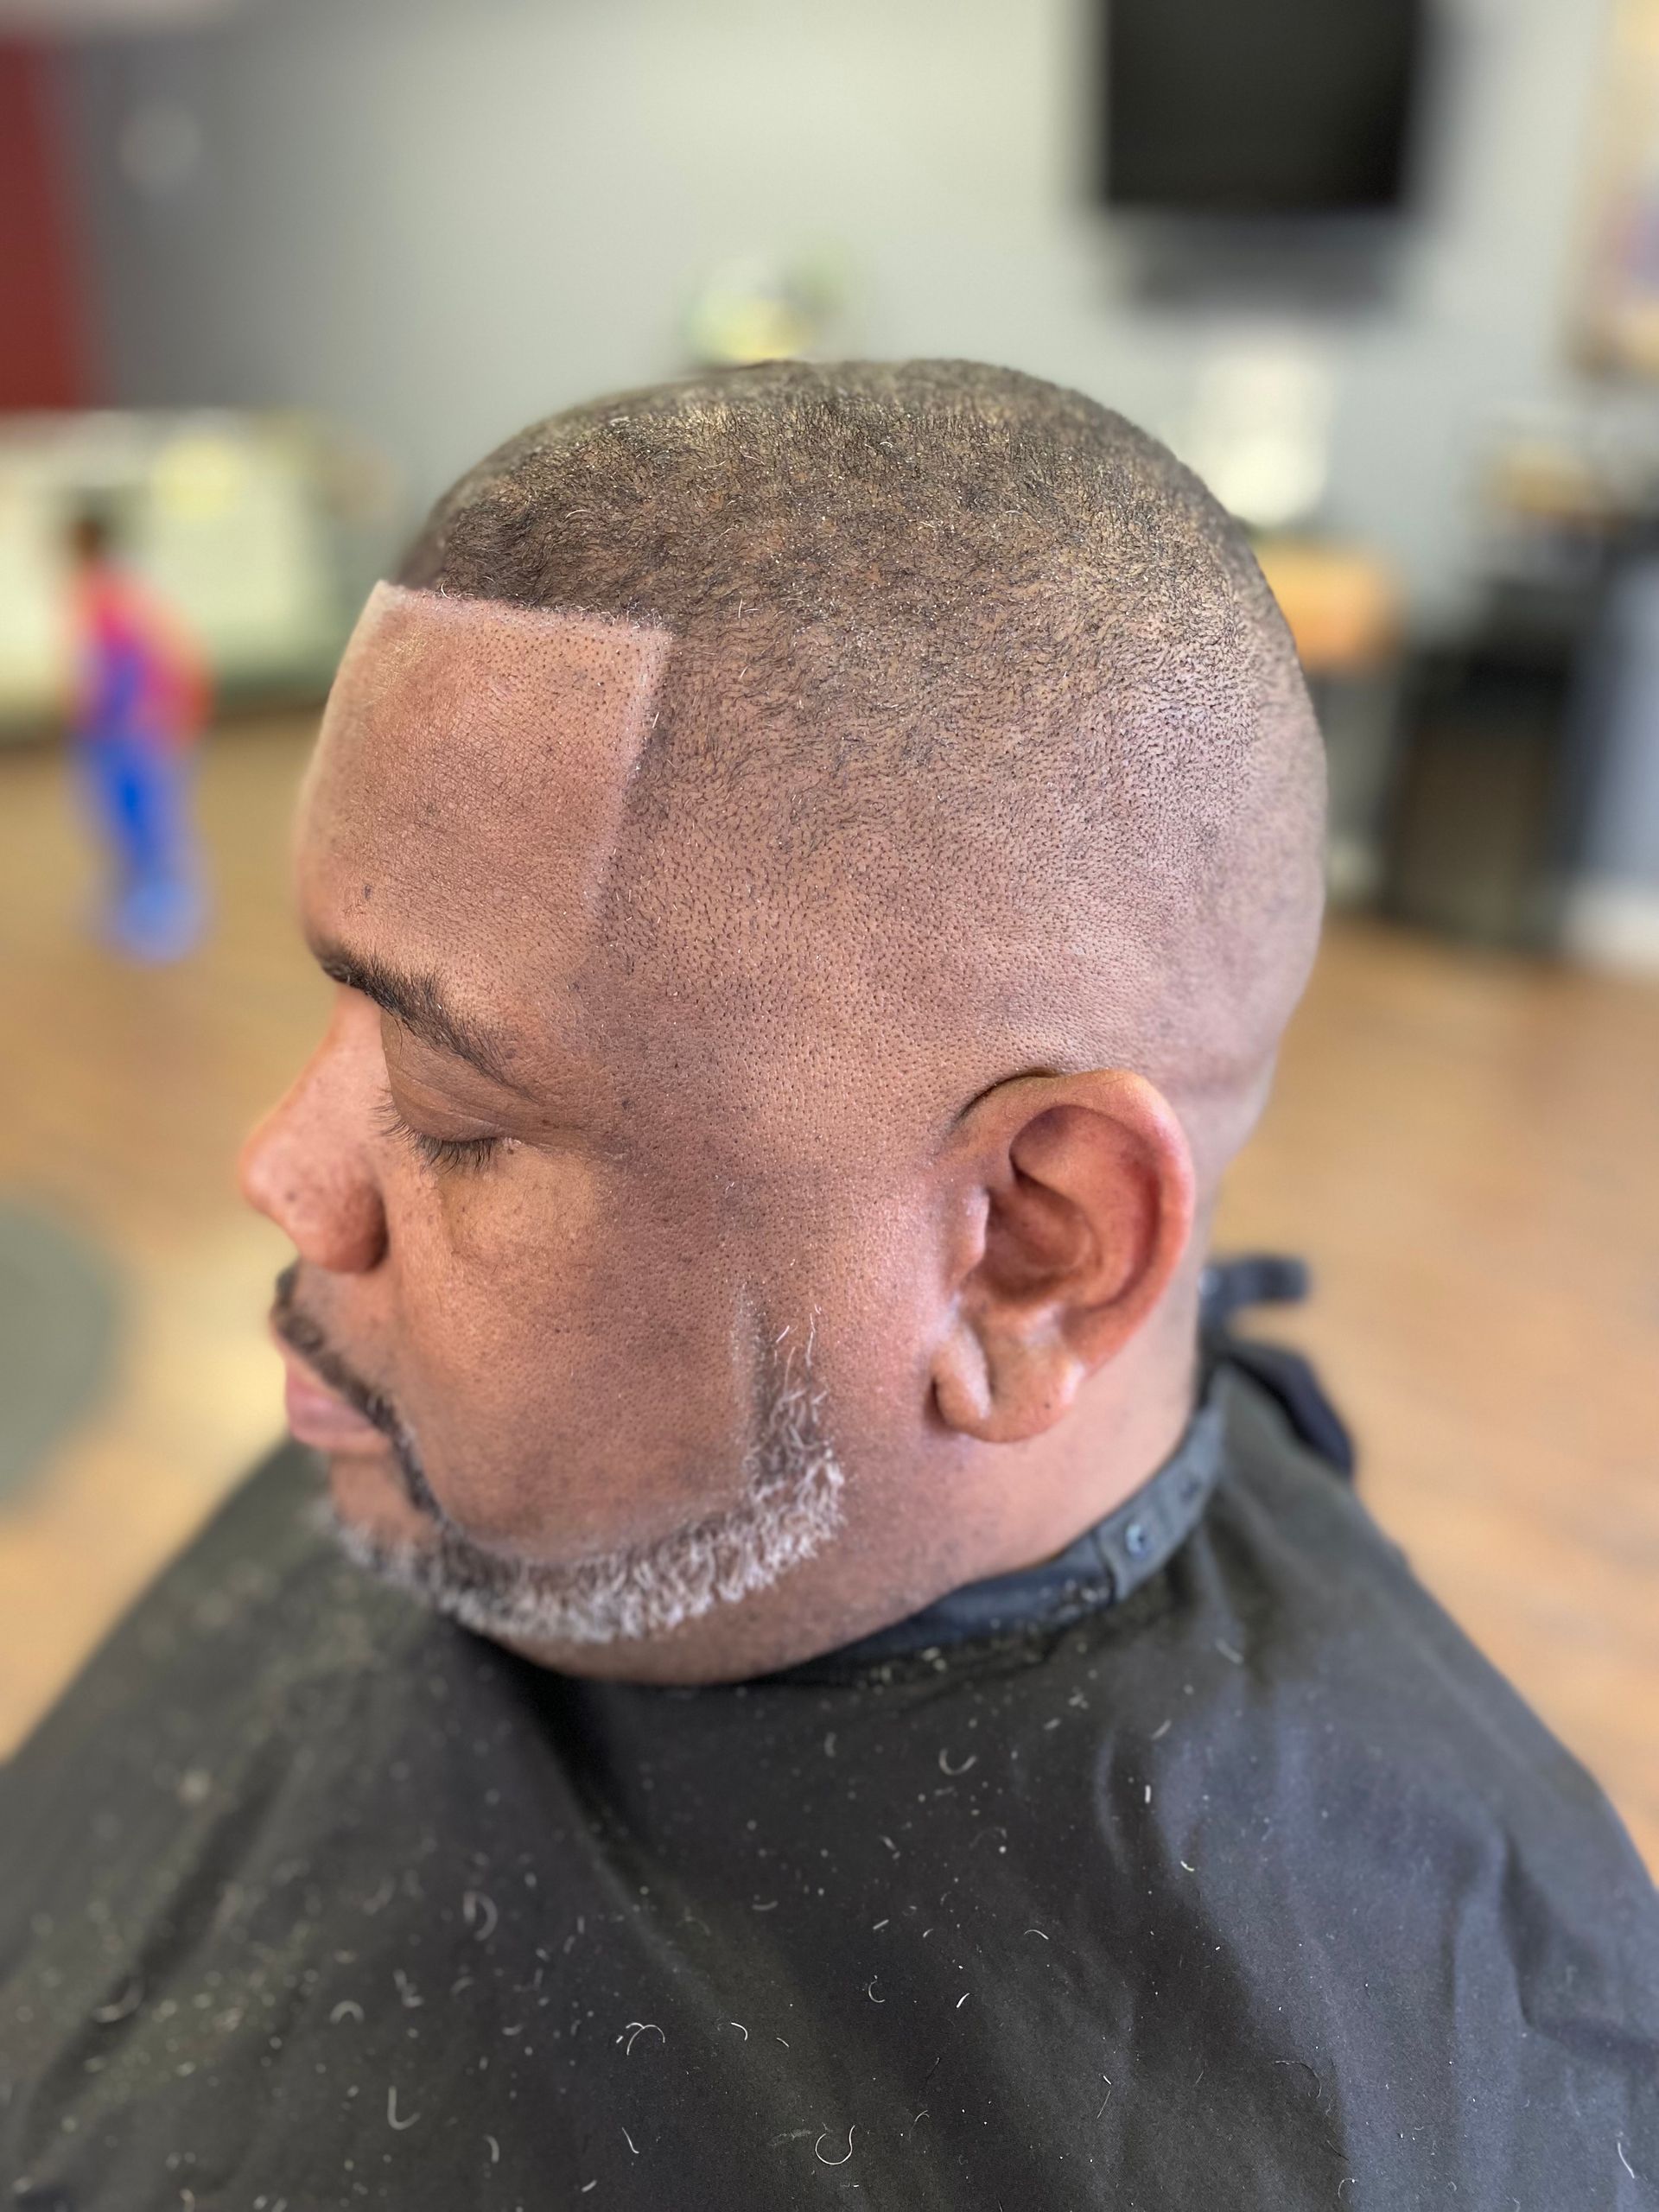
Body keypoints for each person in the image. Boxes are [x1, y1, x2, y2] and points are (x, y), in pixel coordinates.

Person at [2, 363, 1654, 2208]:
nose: (281, 1171)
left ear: (1032, 1251)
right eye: (340, 1003)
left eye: (454, 1105)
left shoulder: (1402, 2109)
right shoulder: (439, 1430)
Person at [64, 503, 209, 963]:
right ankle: (132, 899)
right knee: (118, 817)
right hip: (112, 726)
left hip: (140, 724)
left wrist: (163, 710)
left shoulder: (122, 591)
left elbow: (163, 652)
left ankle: (172, 908)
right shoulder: (95, 590)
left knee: (153, 816)